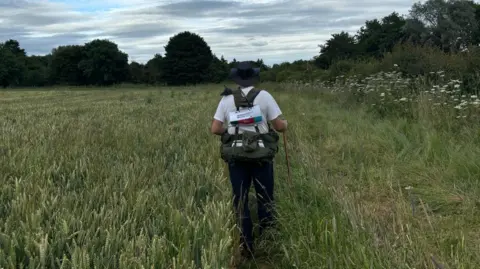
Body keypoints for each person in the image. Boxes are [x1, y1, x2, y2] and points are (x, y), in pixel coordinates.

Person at [210, 61, 288, 258]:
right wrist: (285, 124)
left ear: (236, 79)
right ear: (254, 77)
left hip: (236, 156)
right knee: (265, 197)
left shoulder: (226, 100)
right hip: (261, 156)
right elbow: (279, 126)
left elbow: (215, 129)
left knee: (241, 198)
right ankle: (268, 238)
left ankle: (246, 243)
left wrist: (233, 128)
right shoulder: (265, 96)